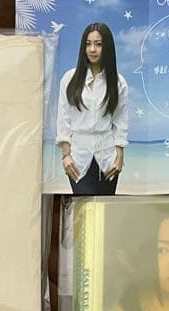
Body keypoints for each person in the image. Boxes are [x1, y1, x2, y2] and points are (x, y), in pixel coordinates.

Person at [56, 22, 128, 195]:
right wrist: (66, 156)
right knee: (84, 207)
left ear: (107, 47)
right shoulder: (69, 79)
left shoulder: (118, 82)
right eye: (88, 44)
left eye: (98, 44)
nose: (92, 49)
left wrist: (119, 157)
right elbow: (64, 118)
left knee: (105, 207)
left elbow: (120, 121)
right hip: (78, 158)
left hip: (108, 158)